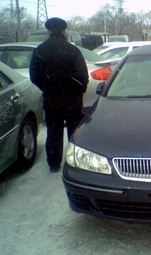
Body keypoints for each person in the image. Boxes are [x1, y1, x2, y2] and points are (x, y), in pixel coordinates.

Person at [29, 17, 89, 173]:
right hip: (72, 100)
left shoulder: (40, 50)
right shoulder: (73, 50)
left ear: (48, 31)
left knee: (54, 132)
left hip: (51, 100)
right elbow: (83, 76)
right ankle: (76, 161)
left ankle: (54, 164)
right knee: (75, 132)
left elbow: (34, 76)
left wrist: (47, 87)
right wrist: (77, 91)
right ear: (64, 31)